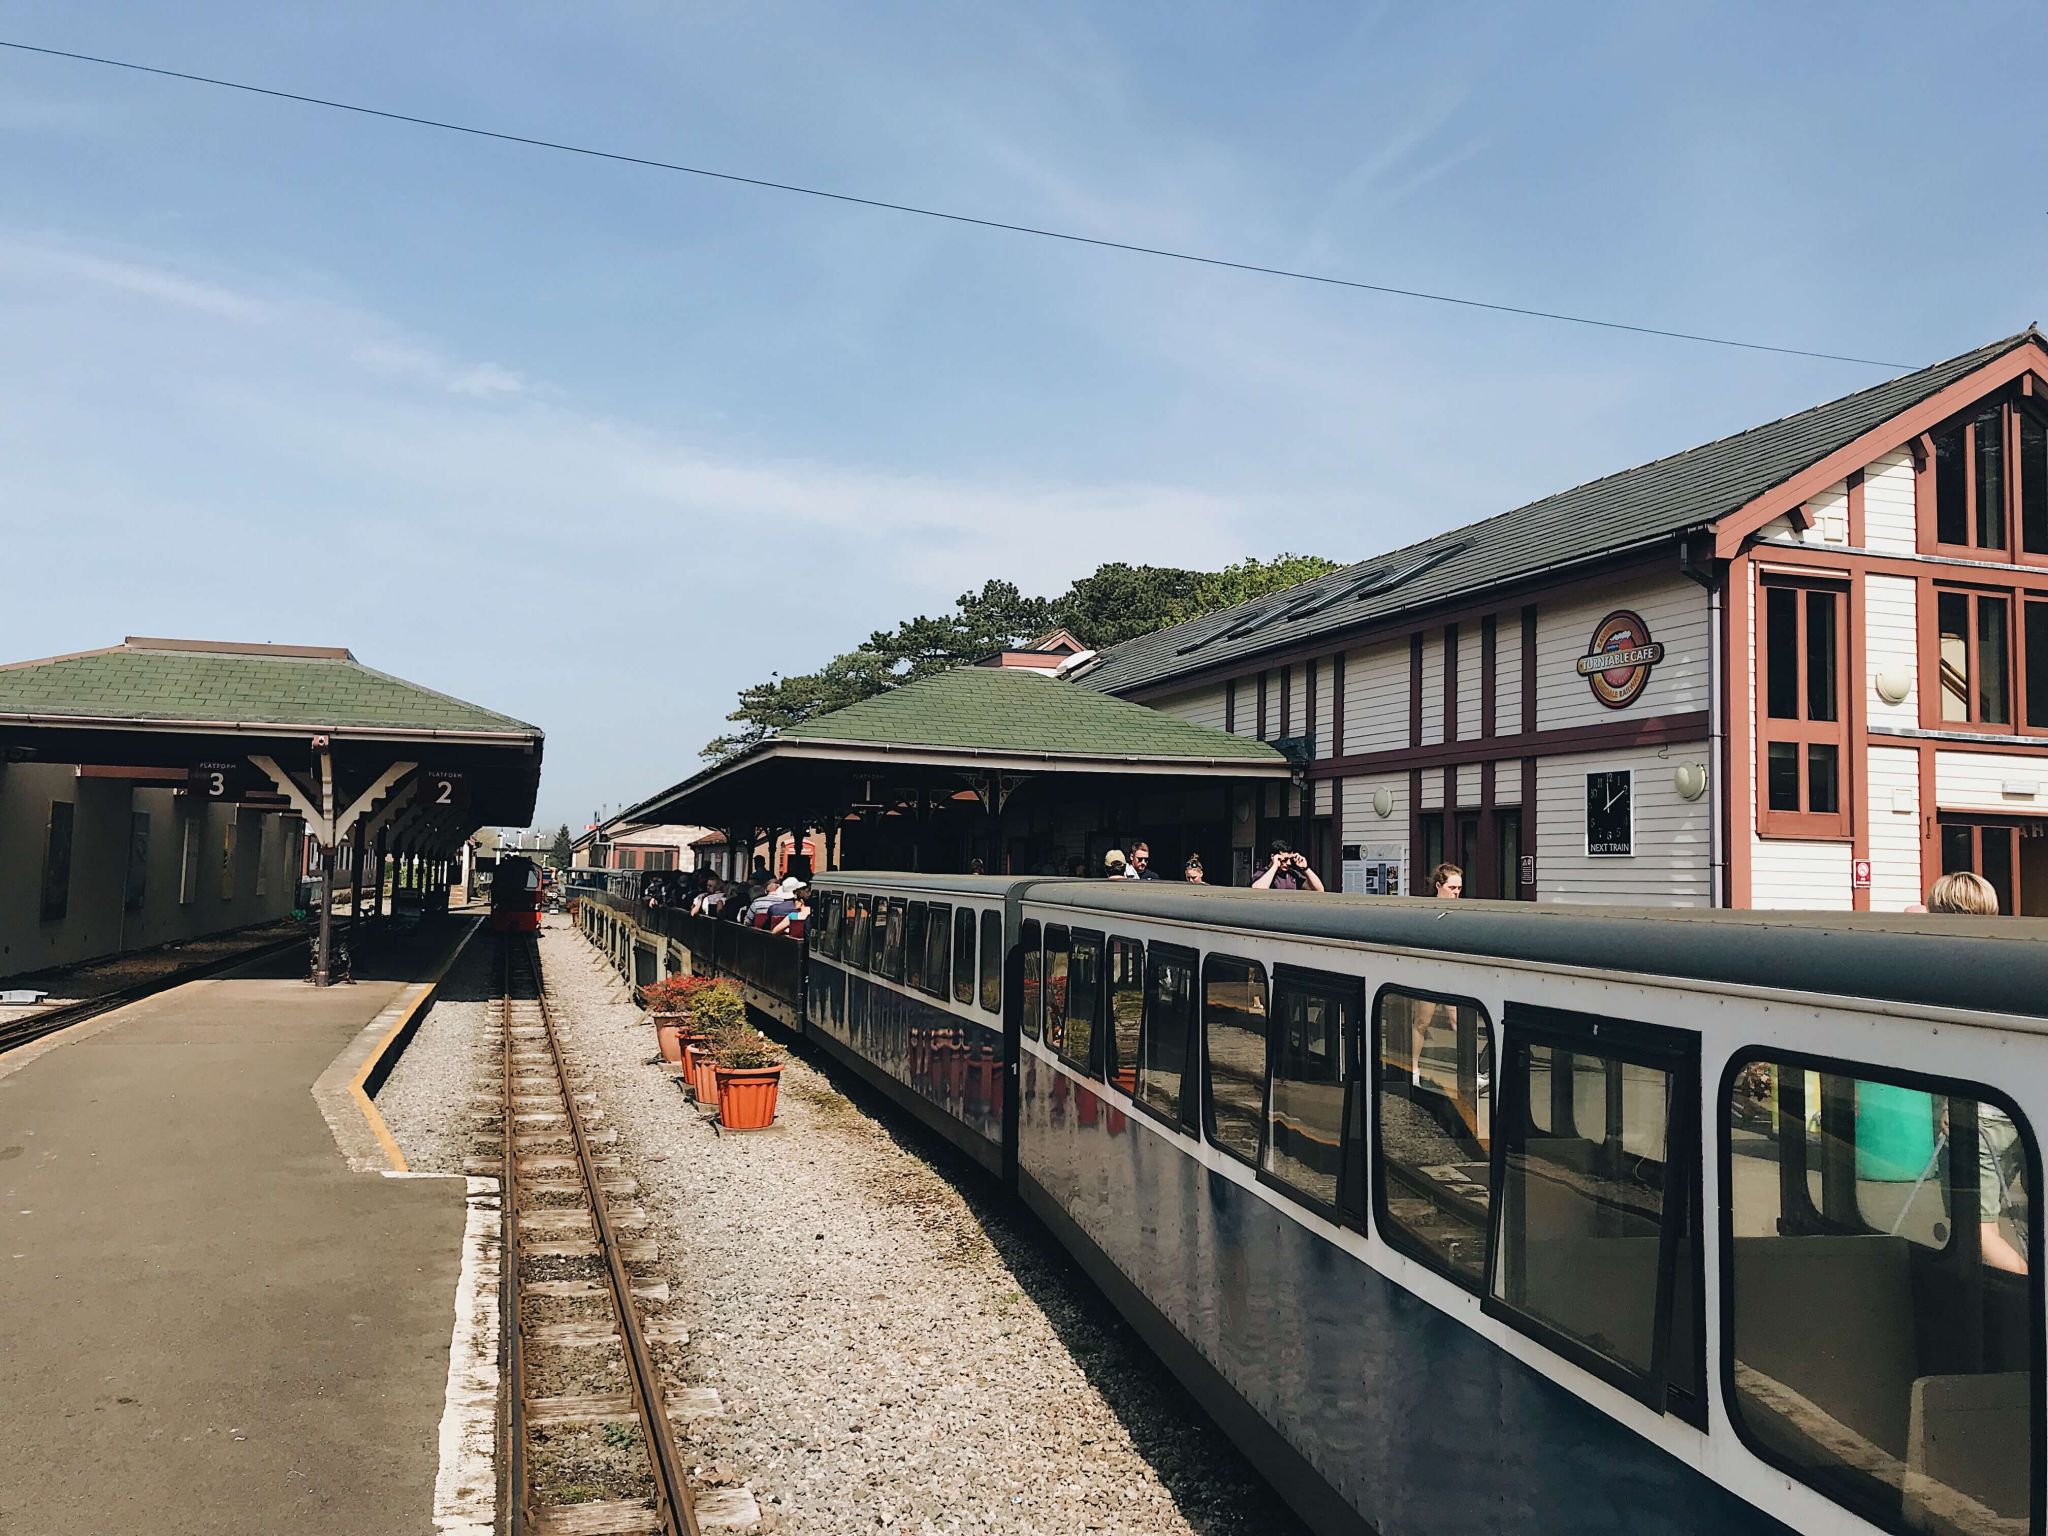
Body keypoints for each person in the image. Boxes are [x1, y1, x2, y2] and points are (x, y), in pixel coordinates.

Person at [1926, 871, 2028, 1272]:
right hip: (2020, 1106)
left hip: (1976, 1114)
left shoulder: (1942, 968)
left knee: (1975, 1229)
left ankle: (2031, 1298)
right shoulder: (2010, 958)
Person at [1252, 839, 1324, 892]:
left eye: (1291, 859)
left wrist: (1305, 868)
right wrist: (1274, 866)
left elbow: (1319, 890)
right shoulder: (1263, 873)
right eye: (1285, 859)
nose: (1289, 863)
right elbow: (1257, 891)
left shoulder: (1293, 874)